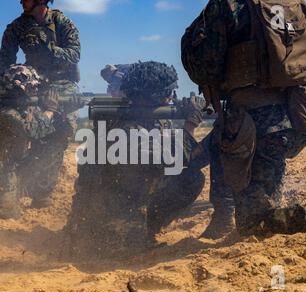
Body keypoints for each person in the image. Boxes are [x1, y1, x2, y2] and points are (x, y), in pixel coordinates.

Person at [182, 0, 306, 237]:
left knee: (254, 223)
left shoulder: (228, 5)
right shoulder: (297, 4)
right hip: (295, 114)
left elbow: (206, 67)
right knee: (258, 181)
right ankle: (231, 216)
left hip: (253, 121)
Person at [64, 61, 205, 256]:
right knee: (191, 179)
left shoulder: (130, 117)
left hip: (102, 212)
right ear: (157, 95)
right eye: (169, 92)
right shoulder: (130, 130)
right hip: (108, 231)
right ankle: (137, 236)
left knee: (190, 175)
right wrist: (190, 124)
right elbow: (169, 161)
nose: (173, 97)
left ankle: (141, 230)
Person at [0, 0, 81, 208]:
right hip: (31, 80)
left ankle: (42, 191)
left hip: (62, 82)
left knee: (59, 132)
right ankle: (14, 184)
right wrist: (11, 84)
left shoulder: (62, 22)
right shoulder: (17, 26)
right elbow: (4, 61)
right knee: (21, 128)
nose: (20, 1)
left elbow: (75, 54)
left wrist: (50, 49)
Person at [0, 64, 63, 219]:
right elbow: (35, 131)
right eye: (31, 87)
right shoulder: (7, 113)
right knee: (9, 213)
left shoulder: (4, 107)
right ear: (19, 88)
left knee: (50, 149)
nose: (35, 91)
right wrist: (51, 110)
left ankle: (36, 194)